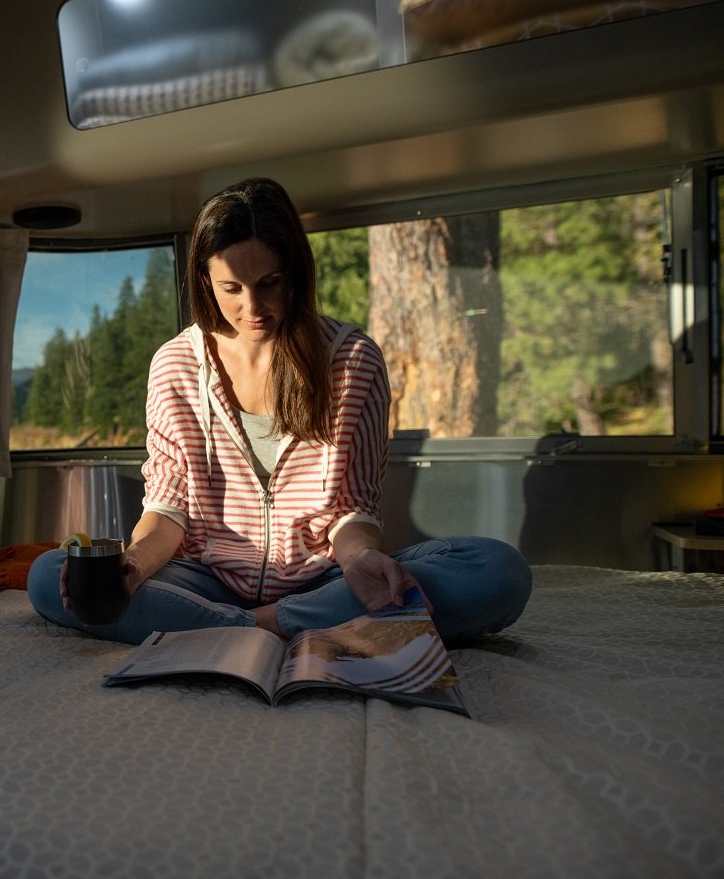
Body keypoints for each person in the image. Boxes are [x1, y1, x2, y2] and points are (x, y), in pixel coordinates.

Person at [27, 177, 532, 646]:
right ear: (205, 282)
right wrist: (133, 565)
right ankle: (270, 627)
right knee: (49, 577)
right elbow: (167, 508)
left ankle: (247, 628)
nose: (253, 307)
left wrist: (358, 559)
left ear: (296, 273)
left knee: (497, 572)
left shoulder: (352, 360)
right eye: (231, 289)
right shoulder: (175, 365)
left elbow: (354, 508)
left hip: (325, 581)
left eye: (270, 283)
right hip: (206, 580)